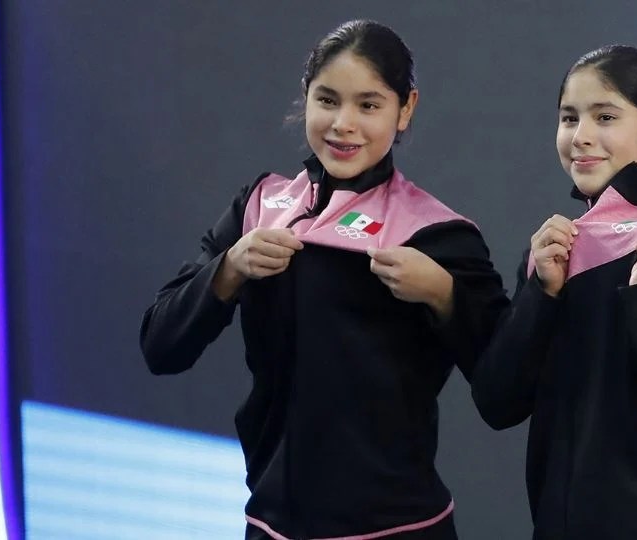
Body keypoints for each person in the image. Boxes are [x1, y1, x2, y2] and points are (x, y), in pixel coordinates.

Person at [140, 20, 508, 540]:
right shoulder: (259, 207)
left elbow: (505, 392)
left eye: (369, 105)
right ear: (306, 96)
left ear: (406, 108)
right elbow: (160, 345)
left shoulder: (438, 234)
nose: (343, 124)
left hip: (399, 529)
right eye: (328, 100)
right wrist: (229, 269)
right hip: (273, 525)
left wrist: (445, 295)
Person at [471, 45, 637, 540]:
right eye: (569, 118)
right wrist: (541, 296)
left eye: (605, 117)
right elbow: (497, 402)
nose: (581, 136)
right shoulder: (553, 252)